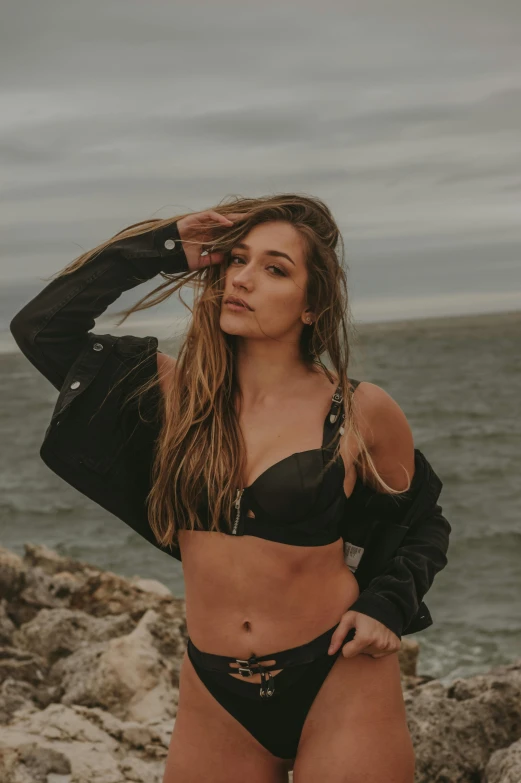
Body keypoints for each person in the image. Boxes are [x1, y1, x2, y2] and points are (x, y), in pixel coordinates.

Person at [10, 194, 450, 782]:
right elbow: (41, 327)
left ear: (313, 305)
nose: (242, 279)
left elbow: (421, 523)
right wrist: (163, 245)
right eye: (236, 260)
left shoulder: (359, 410)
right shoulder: (169, 395)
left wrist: (385, 607)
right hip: (215, 690)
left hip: (337, 673)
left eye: (274, 268)